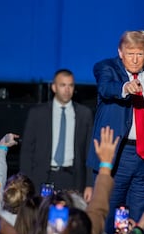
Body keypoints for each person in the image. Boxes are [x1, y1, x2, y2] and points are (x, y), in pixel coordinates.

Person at [86, 30, 144, 234]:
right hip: (119, 156)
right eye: (130, 53)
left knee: (140, 217)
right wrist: (126, 87)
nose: (135, 60)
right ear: (120, 52)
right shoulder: (106, 67)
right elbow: (106, 88)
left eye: (140, 54)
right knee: (109, 215)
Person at [20, 69, 94, 201]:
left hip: (73, 178)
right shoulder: (37, 113)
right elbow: (27, 151)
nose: (67, 90)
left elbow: (89, 152)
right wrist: (26, 182)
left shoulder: (84, 114)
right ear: (54, 87)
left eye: (70, 85)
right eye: (63, 85)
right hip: (42, 177)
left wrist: (89, 184)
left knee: (71, 219)